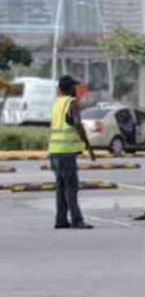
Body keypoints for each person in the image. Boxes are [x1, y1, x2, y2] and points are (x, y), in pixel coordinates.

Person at [48, 75, 96, 230]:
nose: (76, 89)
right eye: (74, 87)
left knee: (61, 188)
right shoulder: (71, 102)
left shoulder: (56, 103)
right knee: (71, 187)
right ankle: (77, 220)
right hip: (66, 153)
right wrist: (88, 145)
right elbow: (77, 124)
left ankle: (61, 220)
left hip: (54, 152)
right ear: (69, 88)